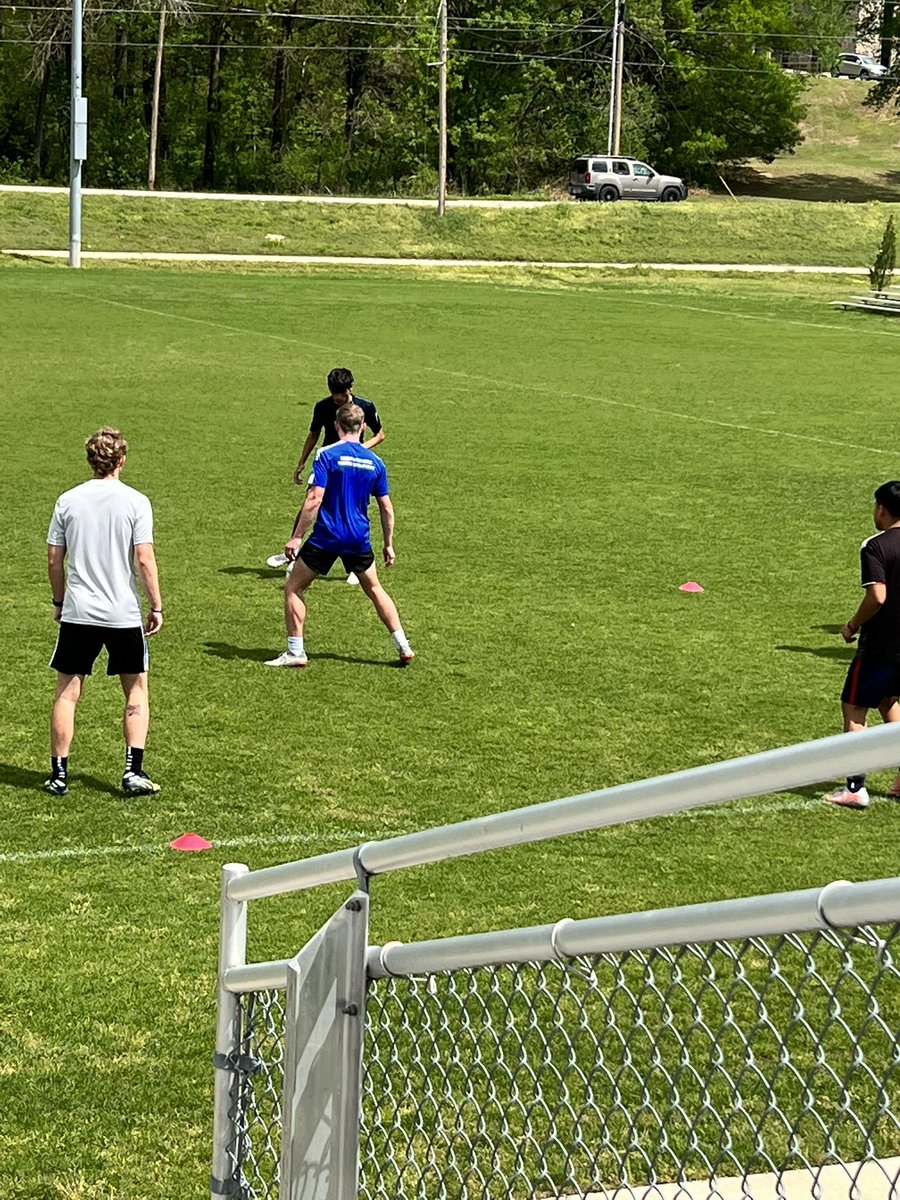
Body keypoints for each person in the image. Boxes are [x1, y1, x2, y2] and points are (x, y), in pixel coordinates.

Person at [44, 427, 164, 798]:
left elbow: (54, 558)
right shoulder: (135, 502)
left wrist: (60, 602)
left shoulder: (68, 500)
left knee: (67, 692)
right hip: (122, 614)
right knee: (135, 690)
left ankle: (59, 775)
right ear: (121, 460)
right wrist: (156, 605)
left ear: (91, 460)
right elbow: (144, 559)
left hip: (79, 612)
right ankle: (133, 772)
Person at [265, 403, 413, 669]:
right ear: (364, 427)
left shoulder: (326, 455)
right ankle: (403, 644)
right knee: (375, 589)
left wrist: (297, 537)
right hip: (358, 538)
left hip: (327, 537)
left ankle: (296, 651)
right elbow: (386, 507)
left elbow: (314, 499)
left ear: (336, 426)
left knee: (294, 587)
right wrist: (389, 544)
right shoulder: (376, 462)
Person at [266, 366, 384, 575]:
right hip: (327, 463)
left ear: (351, 388)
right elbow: (313, 434)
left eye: (343, 394)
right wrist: (302, 461)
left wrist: (357, 450)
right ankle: (292, 552)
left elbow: (380, 434)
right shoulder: (322, 407)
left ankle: (358, 569)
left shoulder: (364, 407)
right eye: (335, 395)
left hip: (354, 467)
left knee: (355, 510)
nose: (339, 399)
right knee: (310, 502)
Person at [825, 480, 900, 809]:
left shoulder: (875, 546)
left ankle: (855, 788)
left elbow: (877, 596)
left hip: (881, 645)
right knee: (889, 703)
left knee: (854, 708)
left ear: (882, 509)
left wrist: (853, 624)